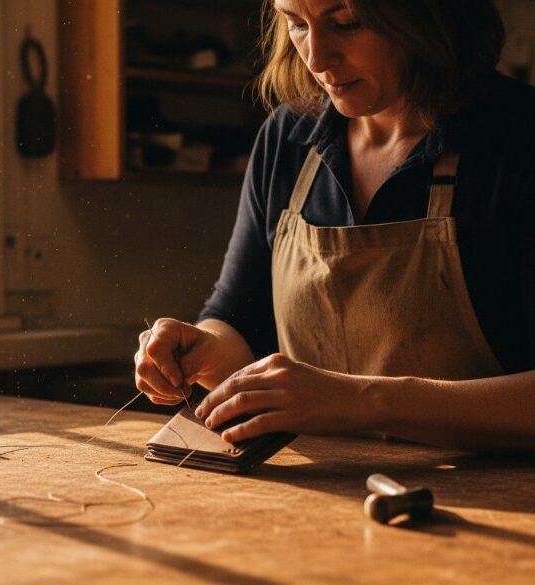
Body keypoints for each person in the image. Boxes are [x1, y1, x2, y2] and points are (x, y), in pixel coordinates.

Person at [134, 0, 535, 452]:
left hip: (493, 507)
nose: (316, 58)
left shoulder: (518, 139)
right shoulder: (288, 136)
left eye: (347, 24)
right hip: (324, 501)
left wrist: (367, 401)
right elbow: (240, 319)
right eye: (297, 24)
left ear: (430, 17)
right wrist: (201, 350)